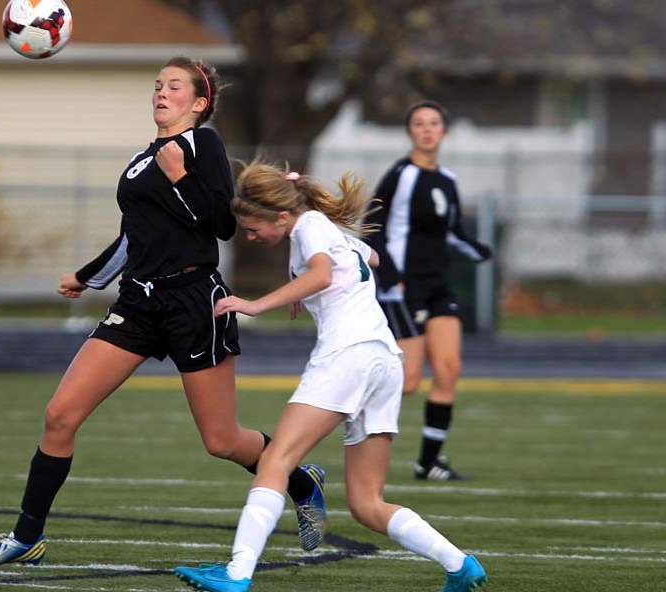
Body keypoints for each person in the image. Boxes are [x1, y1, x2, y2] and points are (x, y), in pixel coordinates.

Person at [0, 57, 326, 572]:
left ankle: (301, 480)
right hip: (136, 303)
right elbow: (136, 233)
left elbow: (220, 224)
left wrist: (180, 178)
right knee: (60, 415)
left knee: (221, 440)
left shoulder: (205, 145)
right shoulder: (140, 159)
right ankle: (26, 536)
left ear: (198, 103)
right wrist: (91, 277)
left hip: (195, 302)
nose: (160, 92)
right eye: (156, 84)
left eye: (173, 86)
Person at [173, 162, 487, 592]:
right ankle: (459, 564)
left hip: (348, 355)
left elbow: (322, 273)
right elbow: (371, 260)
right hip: (383, 360)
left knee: (275, 460)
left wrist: (256, 304)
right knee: (366, 503)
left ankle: (236, 573)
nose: (249, 236)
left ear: (281, 216)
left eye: (251, 228)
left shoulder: (309, 227)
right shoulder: (328, 231)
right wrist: (310, 289)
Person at [365, 100, 492, 481]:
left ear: (444, 131)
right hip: (406, 288)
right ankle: (350, 414)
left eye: (434, 123)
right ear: (410, 132)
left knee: (450, 369)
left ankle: (429, 461)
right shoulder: (400, 176)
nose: (427, 129)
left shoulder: (447, 180)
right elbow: (372, 227)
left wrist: (478, 250)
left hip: (439, 285)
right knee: (407, 381)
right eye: (419, 123)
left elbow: (451, 232)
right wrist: (390, 278)